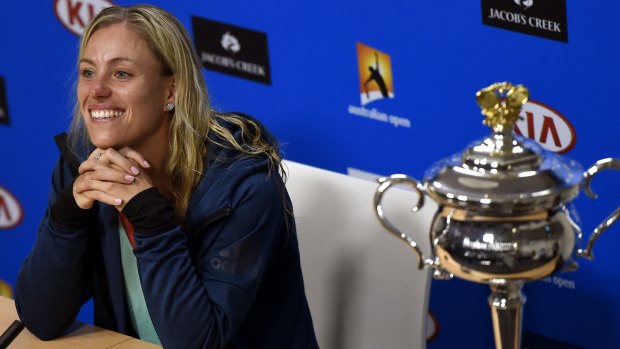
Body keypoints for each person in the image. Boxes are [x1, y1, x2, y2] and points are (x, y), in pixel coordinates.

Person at [14, 4, 318, 349]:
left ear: (171, 91)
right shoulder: (81, 162)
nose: (96, 90)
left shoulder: (244, 187)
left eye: (121, 74)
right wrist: (67, 218)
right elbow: (40, 317)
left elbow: (196, 343)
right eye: (87, 72)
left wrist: (151, 219)